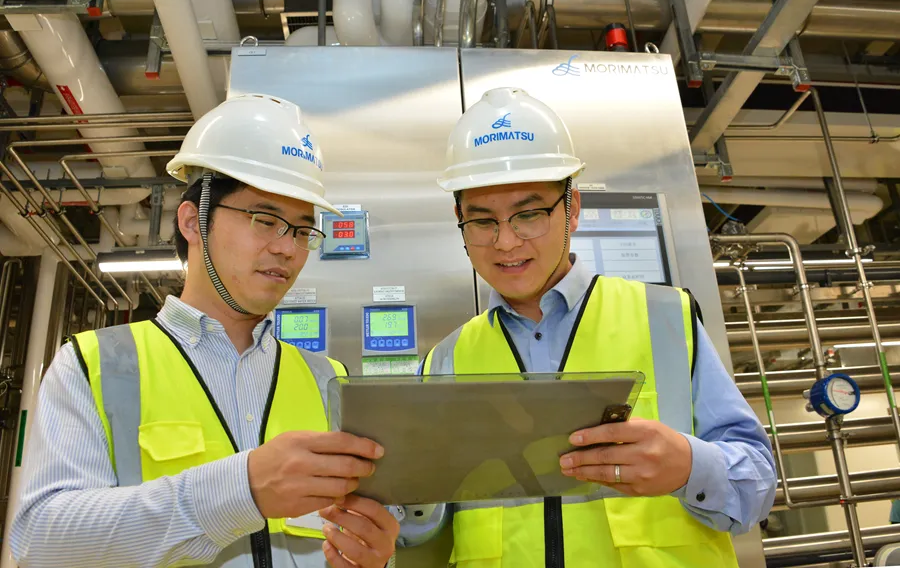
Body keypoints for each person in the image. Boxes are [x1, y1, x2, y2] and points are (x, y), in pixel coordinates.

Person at [10, 95, 399, 568]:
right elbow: (41, 542)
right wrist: (241, 491)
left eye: (301, 231)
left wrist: (373, 557)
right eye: (265, 220)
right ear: (193, 222)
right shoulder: (96, 366)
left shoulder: (328, 379)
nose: (288, 249)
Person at [422, 87, 777, 567]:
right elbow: (422, 519)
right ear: (459, 219)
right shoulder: (446, 360)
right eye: (482, 222)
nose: (505, 242)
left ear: (572, 209)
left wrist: (689, 466)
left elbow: (758, 487)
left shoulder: (663, 319)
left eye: (529, 215)